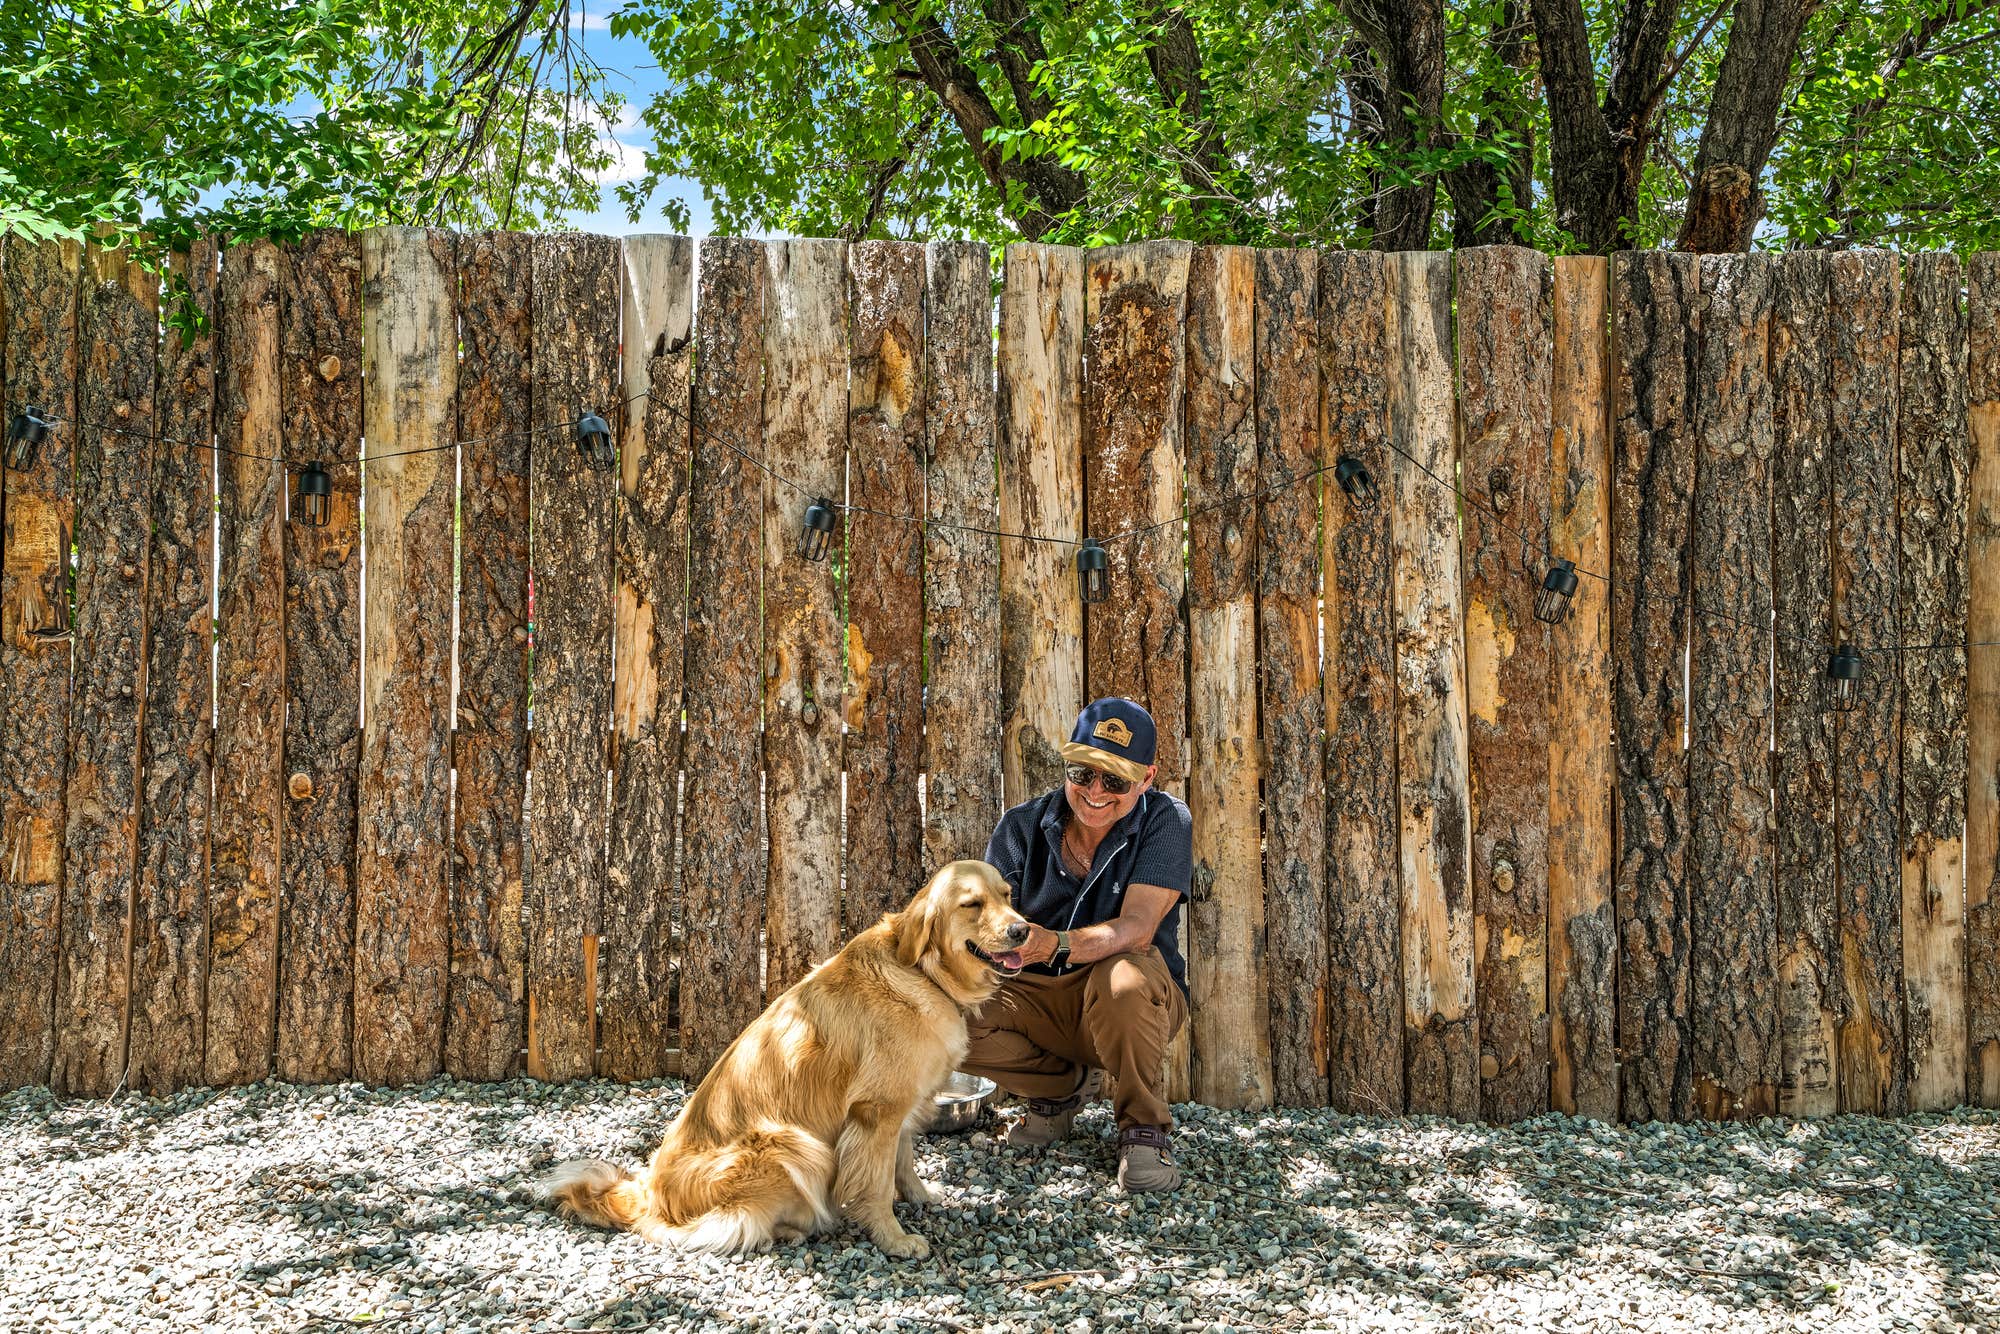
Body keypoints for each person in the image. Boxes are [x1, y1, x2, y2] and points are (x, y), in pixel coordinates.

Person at [967, 697, 1192, 1194]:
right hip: (1038, 998)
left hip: (1131, 996)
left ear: (1147, 778)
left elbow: (1135, 928)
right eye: (1082, 772)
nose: (1095, 791)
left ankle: (1143, 1130)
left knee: (1124, 979)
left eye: (1115, 780)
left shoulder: (1165, 821)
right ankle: (1059, 1091)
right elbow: (991, 924)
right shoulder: (1020, 827)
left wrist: (1052, 945)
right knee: (945, 1011)